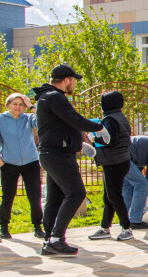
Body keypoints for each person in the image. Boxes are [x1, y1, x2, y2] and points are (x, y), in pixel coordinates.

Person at [34, 64, 112, 256]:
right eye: (74, 80)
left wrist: (79, 145)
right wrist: (98, 127)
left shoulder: (48, 97)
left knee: (55, 198)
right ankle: (56, 238)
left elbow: (64, 126)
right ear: (67, 80)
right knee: (77, 193)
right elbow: (74, 119)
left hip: (52, 153)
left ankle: (50, 240)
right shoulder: (54, 97)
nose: (74, 84)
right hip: (58, 155)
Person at [0, 92, 44, 240]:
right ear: (8, 105)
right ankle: (4, 227)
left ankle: (38, 226)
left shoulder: (29, 118)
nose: (18, 107)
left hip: (30, 161)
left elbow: (43, 122)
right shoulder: (0, 119)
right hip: (9, 162)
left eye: (21, 104)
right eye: (15, 104)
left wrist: (31, 106)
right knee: (8, 196)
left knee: (34, 196)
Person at [87, 91, 135, 242]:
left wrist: (94, 137)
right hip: (120, 161)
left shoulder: (110, 119)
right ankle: (105, 227)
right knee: (109, 196)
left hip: (114, 162)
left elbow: (111, 140)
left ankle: (126, 228)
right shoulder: (120, 117)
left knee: (114, 196)